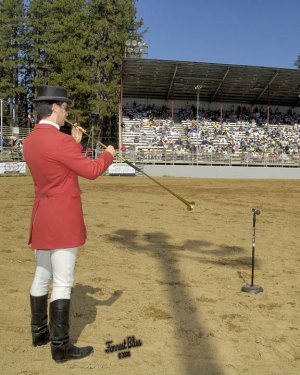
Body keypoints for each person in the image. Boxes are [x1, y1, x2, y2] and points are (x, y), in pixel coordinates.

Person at [23, 85, 116, 362]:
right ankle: (60, 347)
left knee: (42, 276)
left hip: (42, 216)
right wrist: (108, 153)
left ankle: (39, 333)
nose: (66, 113)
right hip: (63, 217)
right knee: (63, 282)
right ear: (54, 108)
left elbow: (57, 168)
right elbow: (91, 171)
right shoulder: (60, 141)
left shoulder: (31, 141)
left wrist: (73, 144)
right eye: (64, 108)